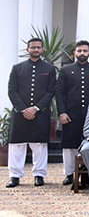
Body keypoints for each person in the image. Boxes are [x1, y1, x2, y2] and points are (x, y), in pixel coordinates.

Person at [6, 38, 57, 188]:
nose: (35, 50)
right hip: (20, 112)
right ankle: (14, 176)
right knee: (17, 145)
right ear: (27, 49)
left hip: (40, 112)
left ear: (42, 50)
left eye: (38, 47)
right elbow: (12, 90)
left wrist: (36, 108)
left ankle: (39, 175)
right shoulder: (17, 68)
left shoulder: (49, 69)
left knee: (39, 145)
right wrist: (23, 109)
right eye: (33, 47)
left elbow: (51, 91)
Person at [55, 40, 89, 186]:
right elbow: (60, 93)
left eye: (85, 51)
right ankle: (69, 174)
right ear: (74, 53)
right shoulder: (65, 70)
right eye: (79, 51)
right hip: (71, 113)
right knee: (70, 144)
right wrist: (62, 112)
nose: (82, 53)